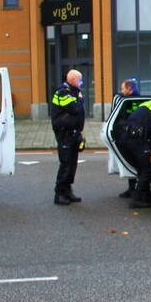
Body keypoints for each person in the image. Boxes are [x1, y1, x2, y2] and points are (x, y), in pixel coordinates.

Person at [50, 69, 86, 206]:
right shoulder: (63, 92)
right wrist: (80, 99)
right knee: (65, 164)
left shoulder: (73, 92)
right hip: (65, 134)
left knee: (72, 164)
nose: (81, 82)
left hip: (73, 132)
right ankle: (59, 193)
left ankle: (68, 190)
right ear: (72, 80)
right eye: (80, 80)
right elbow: (74, 108)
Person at [111, 79, 141, 199]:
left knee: (133, 162)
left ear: (130, 89)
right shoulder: (128, 100)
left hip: (133, 136)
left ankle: (136, 189)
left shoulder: (130, 101)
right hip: (132, 135)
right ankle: (131, 188)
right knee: (131, 161)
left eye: (123, 89)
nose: (121, 91)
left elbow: (124, 117)